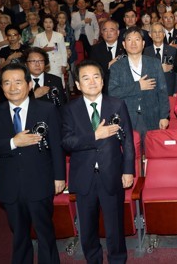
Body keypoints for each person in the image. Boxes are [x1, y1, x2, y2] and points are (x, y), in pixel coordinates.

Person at [0, 63, 65, 264]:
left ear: (28, 85)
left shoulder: (47, 110)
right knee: (19, 236)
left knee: (45, 234)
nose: (13, 87)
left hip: (40, 183)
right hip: (10, 186)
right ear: (1, 87)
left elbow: (57, 147)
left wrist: (59, 177)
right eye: (7, 83)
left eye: (18, 82)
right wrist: (12, 142)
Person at [61, 59, 134, 263]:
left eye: (96, 77)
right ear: (77, 85)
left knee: (115, 226)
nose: (92, 82)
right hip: (84, 176)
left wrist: (128, 171)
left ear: (103, 81)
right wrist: (95, 135)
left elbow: (127, 140)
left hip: (112, 174)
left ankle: (118, 259)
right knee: (88, 227)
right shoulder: (69, 109)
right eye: (85, 78)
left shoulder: (117, 104)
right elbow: (67, 142)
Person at [108, 26, 169, 143]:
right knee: (130, 155)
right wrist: (138, 86)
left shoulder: (154, 63)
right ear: (124, 44)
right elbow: (113, 92)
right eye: (129, 40)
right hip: (127, 117)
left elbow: (162, 92)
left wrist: (164, 116)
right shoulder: (117, 67)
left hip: (152, 116)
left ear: (143, 43)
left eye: (137, 39)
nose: (133, 43)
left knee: (151, 153)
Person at [143, 22, 177, 96]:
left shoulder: (172, 50)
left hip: (169, 89)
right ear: (150, 35)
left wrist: (176, 91)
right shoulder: (145, 52)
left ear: (164, 34)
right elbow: (143, 72)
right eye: (155, 32)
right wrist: (160, 68)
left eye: (160, 31)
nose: (157, 34)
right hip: (150, 90)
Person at [89, 20, 125, 93]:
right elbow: (93, 70)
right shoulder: (95, 49)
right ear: (102, 33)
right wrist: (108, 66)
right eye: (105, 30)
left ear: (118, 32)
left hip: (124, 85)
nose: (108, 33)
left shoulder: (126, 47)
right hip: (104, 87)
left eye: (111, 30)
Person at [32, 14, 68, 87]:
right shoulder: (38, 37)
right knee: (46, 86)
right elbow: (34, 53)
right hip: (44, 65)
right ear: (43, 24)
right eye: (46, 22)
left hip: (57, 64)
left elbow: (63, 52)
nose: (48, 24)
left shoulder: (59, 36)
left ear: (54, 24)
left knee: (58, 85)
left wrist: (64, 65)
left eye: (50, 22)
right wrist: (43, 50)